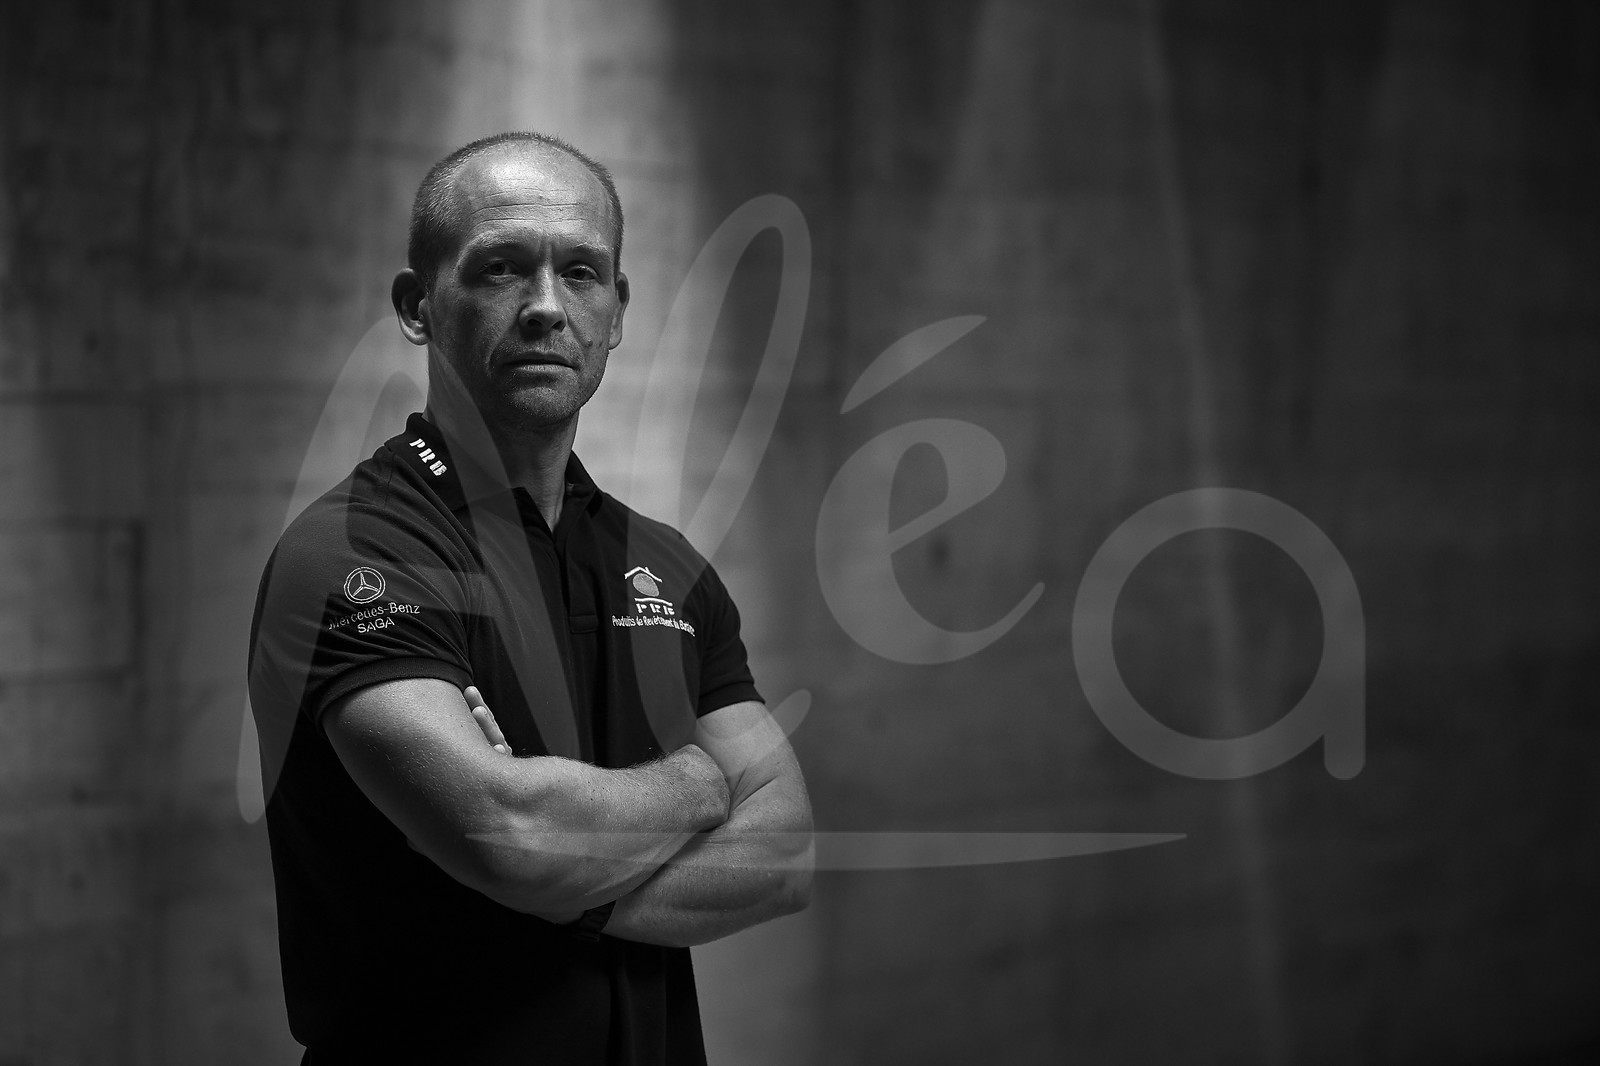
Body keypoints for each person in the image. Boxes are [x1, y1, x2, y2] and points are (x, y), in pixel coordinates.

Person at [246, 131, 813, 1064]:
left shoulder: (667, 568)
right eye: (501, 267)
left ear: (617, 310)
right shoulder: (352, 554)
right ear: (417, 305)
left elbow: (785, 854)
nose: (547, 305)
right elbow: (509, 832)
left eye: (580, 272)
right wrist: (702, 783)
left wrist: (556, 879)